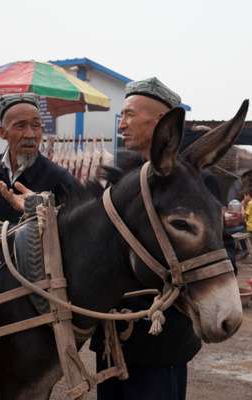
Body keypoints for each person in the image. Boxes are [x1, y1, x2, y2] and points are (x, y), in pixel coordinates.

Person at [91, 77, 199, 400]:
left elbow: (222, 257)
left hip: (160, 340)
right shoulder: (118, 177)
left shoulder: (192, 182)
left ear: (162, 123)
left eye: (129, 115)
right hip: (112, 334)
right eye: (121, 117)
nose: (121, 124)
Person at [0, 93, 77, 223]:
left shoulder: (60, 179)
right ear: (2, 132)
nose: (30, 134)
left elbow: (79, 229)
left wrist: (41, 209)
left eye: (36, 125)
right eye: (20, 126)